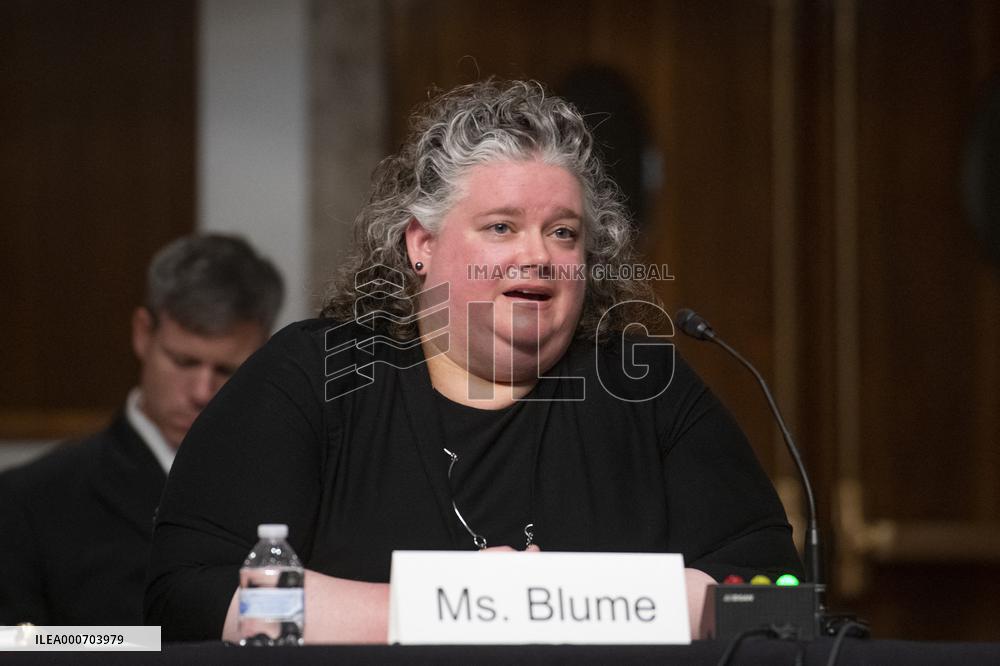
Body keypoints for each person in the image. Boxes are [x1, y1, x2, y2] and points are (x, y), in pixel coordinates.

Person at [145, 80, 802, 643]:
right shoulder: (313, 376)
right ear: (421, 244)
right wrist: (456, 606)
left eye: (563, 231)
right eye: (501, 226)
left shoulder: (649, 390)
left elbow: (774, 600)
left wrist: (566, 601)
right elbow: (191, 595)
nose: (538, 255)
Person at [0, 234, 284, 626]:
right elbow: (16, 644)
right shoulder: (27, 503)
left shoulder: (290, 484)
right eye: (183, 361)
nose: (202, 392)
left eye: (226, 371)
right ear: (142, 333)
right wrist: (138, 646)